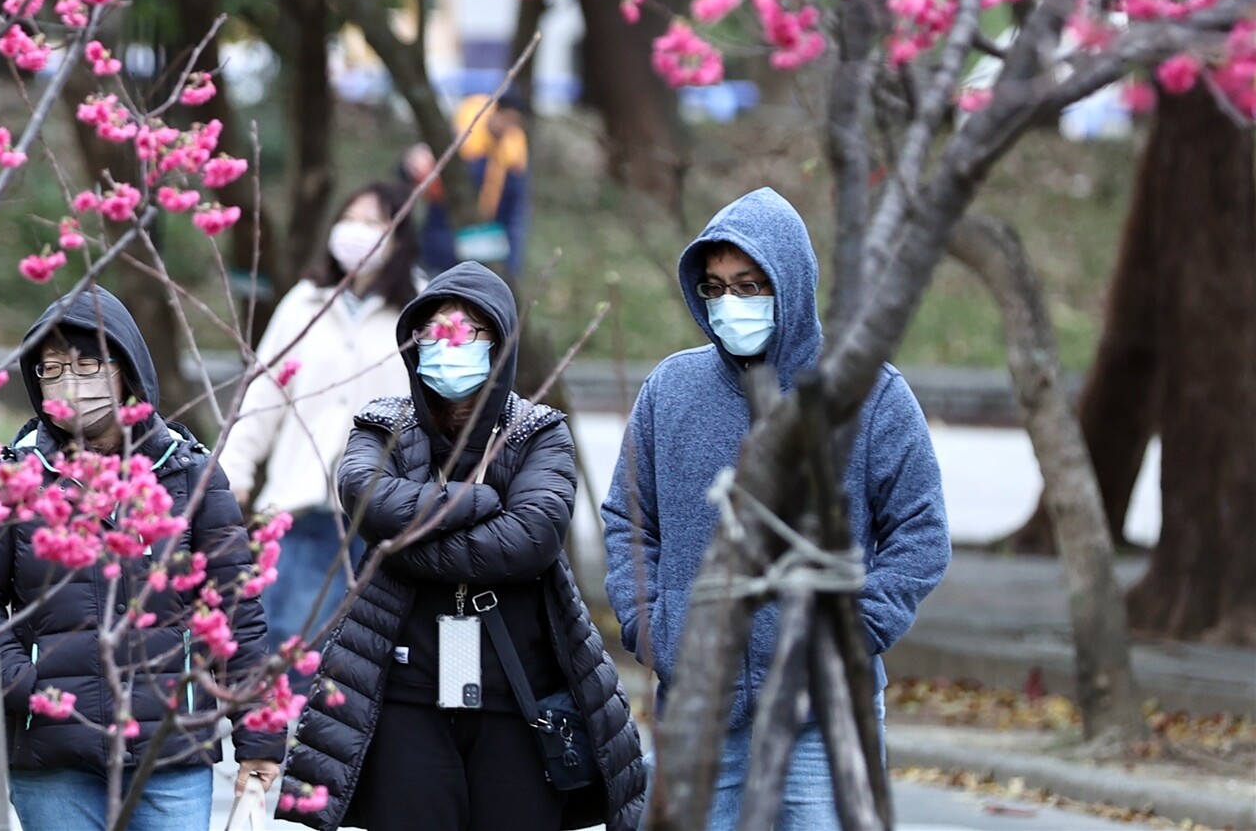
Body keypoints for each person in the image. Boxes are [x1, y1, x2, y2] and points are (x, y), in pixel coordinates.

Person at [601, 187, 951, 829]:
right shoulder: (669, 391)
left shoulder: (867, 394)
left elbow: (921, 532)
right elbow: (629, 520)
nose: (731, 303)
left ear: (789, 283)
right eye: (715, 286)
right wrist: (654, 626)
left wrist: (854, 631)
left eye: (750, 285)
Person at [280, 262, 646, 831]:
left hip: (520, 700)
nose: (447, 345)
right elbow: (368, 504)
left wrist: (405, 545)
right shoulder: (381, 425)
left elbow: (530, 540)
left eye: (467, 332)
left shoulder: (539, 431)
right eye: (433, 332)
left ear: (499, 344)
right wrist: (471, 502)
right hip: (405, 696)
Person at [0, 286, 284, 831]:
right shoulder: (15, 482)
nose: (70, 387)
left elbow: (236, 610)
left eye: (87, 367)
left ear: (126, 369)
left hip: (168, 753)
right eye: (51, 371)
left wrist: (259, 738)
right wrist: (20, 686)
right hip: (51, 751)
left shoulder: (189, 474)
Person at [220, 182, 419, 655]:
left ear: (399, 236)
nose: (357, 232)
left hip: (380, 514)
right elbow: (264, 394)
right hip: (303, 503)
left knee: (363, 651)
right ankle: (283, 731)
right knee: (288, 638)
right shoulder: (304, 302)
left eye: (374, 222)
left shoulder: (419, 311)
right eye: (350, 218)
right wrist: (236, 472)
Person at [403, 93, 531, 278]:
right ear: (496, 112)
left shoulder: (512, 158)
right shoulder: (460, 138)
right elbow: (418, 175)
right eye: (508, 118)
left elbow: (514, 212)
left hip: (482, 238)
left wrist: (511, 260)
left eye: (515, 122)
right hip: (440, 237)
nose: (508, 126)